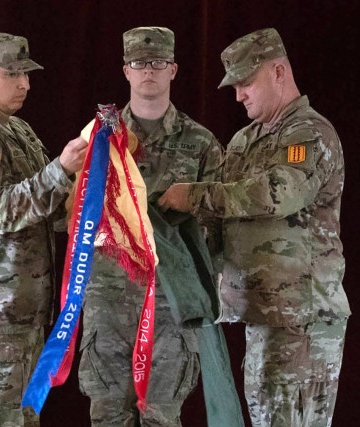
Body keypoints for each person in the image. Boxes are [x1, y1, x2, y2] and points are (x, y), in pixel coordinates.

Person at [158, 28, 351, 427]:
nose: (239, 95)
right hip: (260, 317)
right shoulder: (245, 140)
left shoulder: (310, 134)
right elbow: (219, 218)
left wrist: (194, 195)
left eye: (246, 82)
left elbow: (279, 193)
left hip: (302, 323)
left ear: (278, 71)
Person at [77, 26, 227, 426]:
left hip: (171, 304)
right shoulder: (99, 140)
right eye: (139, 63)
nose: (149, 71)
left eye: (158, 63)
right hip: (108, 302)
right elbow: (71, 216)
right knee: (108, 418)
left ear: (173, 70)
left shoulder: (201, 144)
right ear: (126, 71)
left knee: (162, 418)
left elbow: (221, 224)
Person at [0, 30, 87, 427]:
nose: (24, 83)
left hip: (21, 315)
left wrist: (83, 199)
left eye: (26, 73)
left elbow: (44, 209)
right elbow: (2, 211)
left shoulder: (17, 131)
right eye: (11, 73)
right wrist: (61, 169)